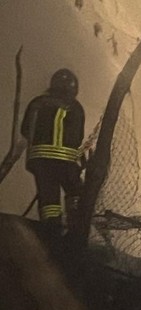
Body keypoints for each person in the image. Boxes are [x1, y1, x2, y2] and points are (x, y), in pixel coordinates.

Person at [20, 69, 85, 237]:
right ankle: (75, 228)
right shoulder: (76, 107)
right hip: (66, 161)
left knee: (48, 196)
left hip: (40, 160)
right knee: (75, 193)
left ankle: (51, 230)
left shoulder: (37, 103)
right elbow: (78, 136)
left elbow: (25, 130)